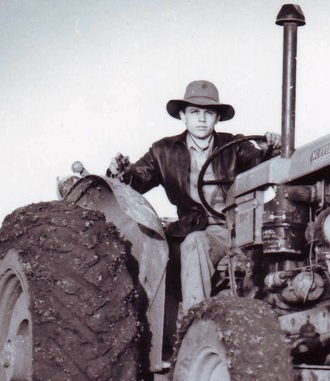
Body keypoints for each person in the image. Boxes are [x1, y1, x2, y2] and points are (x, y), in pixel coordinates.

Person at [108, 80, 279, 311]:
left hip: (242, 229)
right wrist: (120, 173)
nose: (201, 119)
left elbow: (262, 165)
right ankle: (193, 325)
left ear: (217, 118)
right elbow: (135, 182)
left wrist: (272, 149)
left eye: (208, 113)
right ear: (183, 116)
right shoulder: (163, 152)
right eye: (194, 112)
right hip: (199, 232)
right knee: (194, 243)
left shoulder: (235, 146)